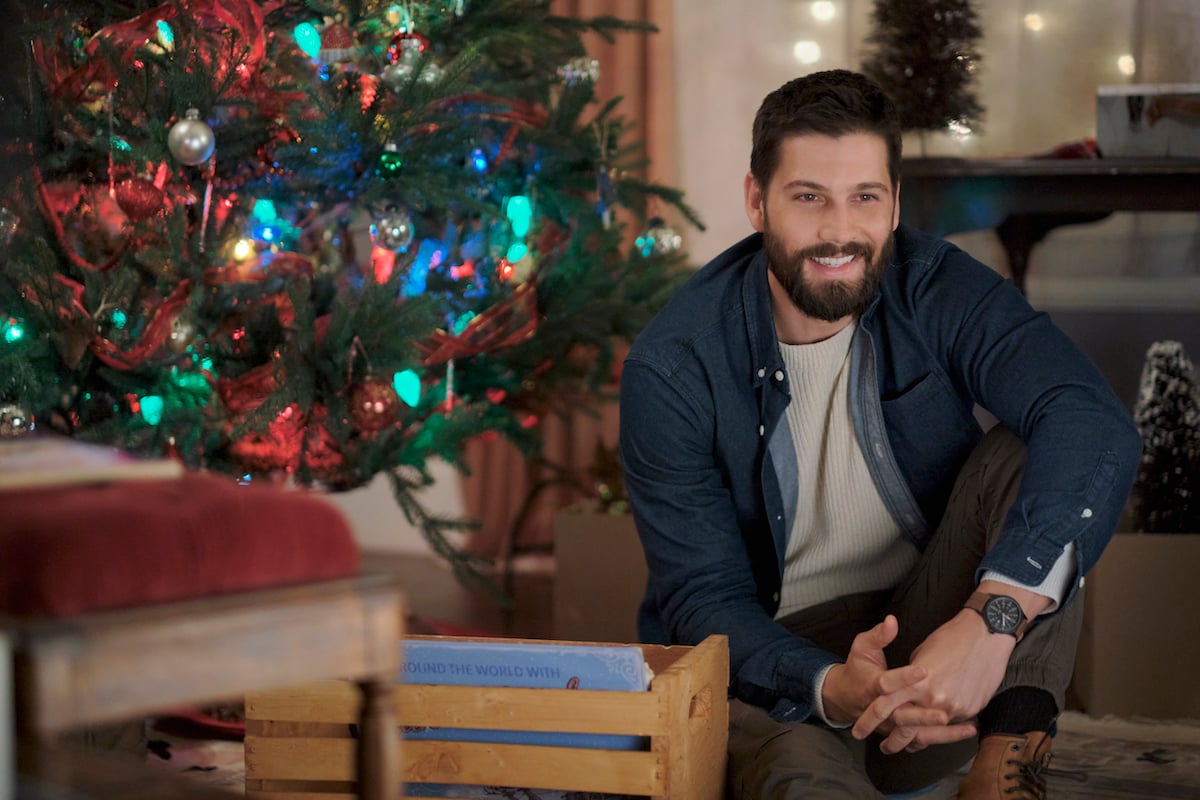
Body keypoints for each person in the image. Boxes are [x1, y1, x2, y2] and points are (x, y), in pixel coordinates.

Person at [618, 69, 1141, 800]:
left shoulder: (936, 285)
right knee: (801, 780)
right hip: (778, 668)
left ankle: (1002, 771)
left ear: (893, 205)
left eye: (864, 197)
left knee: (1039, 457)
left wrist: (989, 621)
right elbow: (704, 602)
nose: (838, 232)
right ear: (756, 202)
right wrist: (832, 684)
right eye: (808, 199)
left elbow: (1091, 419)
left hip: (932, 641)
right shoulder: (673, 368)